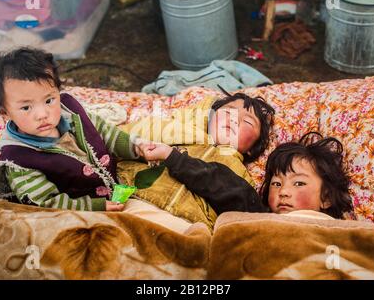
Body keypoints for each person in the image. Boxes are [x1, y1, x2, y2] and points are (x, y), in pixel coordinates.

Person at [0, 47, 153, 212]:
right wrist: (94, 206)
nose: (42, 114)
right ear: (4, 112)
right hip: (79, 211)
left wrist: (135, 147)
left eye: (49, 100)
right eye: (26, 107)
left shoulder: (71, 113)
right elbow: (45, 203)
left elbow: (104, 131)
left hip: (114, 181)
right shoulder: (19, 160)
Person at [118, 90, 275, 229]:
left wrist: (173, 158)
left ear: (252, 149)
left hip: (188, 227)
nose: (234, 119)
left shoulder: (240, 177)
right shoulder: (172, 131)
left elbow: (247, 214)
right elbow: (119, 140)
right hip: (133, 204)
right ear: (210, 117)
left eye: (248, 121)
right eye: (228, 112)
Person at [259, 132, 353, 219]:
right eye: (276, 184)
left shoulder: (335, 231)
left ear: (326, 198)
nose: (283, 192)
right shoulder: (261, 224)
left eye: (299, 183)